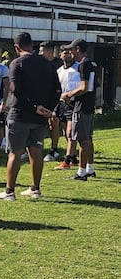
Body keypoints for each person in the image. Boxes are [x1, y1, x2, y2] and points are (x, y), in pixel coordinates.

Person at [0, 32, 60, 201]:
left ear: (16, 47)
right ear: (32, 45)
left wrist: (34, 107)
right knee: (36, 152)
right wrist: (48, 109)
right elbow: (57, 89)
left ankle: (9, 191)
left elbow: (15, 90)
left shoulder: (17, 63)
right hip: (40, 118)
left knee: (14, 153)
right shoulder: (48, 64)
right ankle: (35, 189)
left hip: (20, 114)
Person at [61, 39, 99, 181]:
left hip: (81, 106)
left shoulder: (83, 64)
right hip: (90, 105)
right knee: (88, 138)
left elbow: (84, 87)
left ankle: (81, 172)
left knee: (83, 140)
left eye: (71, 49)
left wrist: (69, 94)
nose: (70, 52)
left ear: (78, 49)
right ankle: (90, 168)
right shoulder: (92, 63)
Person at [55, 45, 81, 170]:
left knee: (71, 132)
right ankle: (74, 157)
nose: (67, 55)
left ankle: (67, 161)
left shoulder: (78, 68)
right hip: (61, 103)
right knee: (66, 132)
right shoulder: (59, 71)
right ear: (60, 55)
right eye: (64, 53)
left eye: (69, 53)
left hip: (73, 102)